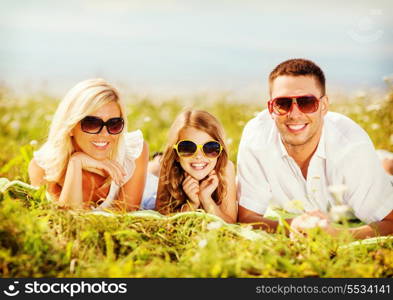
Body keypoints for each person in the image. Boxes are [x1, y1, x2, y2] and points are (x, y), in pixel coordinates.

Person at [237, 58, 393, 239]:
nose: (294, 114)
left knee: (383, 175)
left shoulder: (352, 148)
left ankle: (385, 163)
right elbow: (247, 217)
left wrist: (339, 235)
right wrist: (293, 226)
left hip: (364, 177)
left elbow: (390, 220)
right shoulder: (256, 140)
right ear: (271, 108)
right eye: (283, 104)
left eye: (306, 102)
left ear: (324, 106)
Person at [28, 78, 149, 211]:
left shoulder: (133, 154)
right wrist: (76, 162)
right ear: (70, 127)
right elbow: (66, 222)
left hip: (150, 192)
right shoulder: (44, 167)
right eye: (92, 123)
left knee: (157, 167)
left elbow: (125, 219)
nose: (105, 134)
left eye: (114, 124)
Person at [156, 110, 237, 223]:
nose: (199, 156)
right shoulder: (167, 165)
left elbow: (230, 223)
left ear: (220, 150)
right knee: (154, 167)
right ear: (176, 154)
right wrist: (192, 204)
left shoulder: (226, 168)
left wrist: (206, 199)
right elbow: (161, 222)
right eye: (187, 148)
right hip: (157, 172)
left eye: (210, 148)